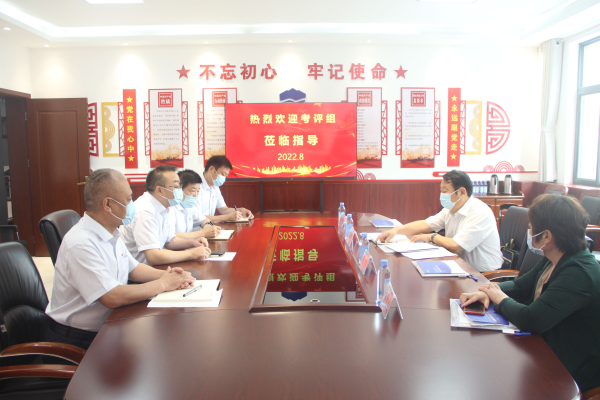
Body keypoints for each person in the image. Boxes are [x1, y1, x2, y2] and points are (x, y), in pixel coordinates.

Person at [460, 194, 600, 393]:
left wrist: (498, 297)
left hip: (572, 368)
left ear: (546, 236)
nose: (529, 232)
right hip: (548, 346)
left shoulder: (578, 273)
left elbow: (531, 319)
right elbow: (520, 286)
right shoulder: (555, 257)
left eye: (531, 227)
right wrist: (488, 292)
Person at [45, 169, 196, 349]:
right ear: (108, 204)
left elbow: (134, 268)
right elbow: (111, 296)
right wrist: (163, 284)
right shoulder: (81, 243)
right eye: (128, 199)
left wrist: (169, 276)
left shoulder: (111, 231)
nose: (132, 204)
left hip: (110, 322)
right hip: (78, 339)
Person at [376, 170, 501, 272]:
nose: (442, 194)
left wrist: (432, 237)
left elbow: (456, 246)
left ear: (462, 192)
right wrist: (395, 231)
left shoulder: (480, 212)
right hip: (458, 266)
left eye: (445, 191)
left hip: (482, 275)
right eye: (441, 191)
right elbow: (424, 224)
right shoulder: (451, 209)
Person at [120, 165, 211, 265]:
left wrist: (193, 242)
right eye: (176, 187)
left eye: (179, 186)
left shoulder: (165, 206)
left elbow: (169, 240)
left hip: (155, 267)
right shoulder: (145, 211)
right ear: (160, 190)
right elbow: (153, 256)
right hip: (140, 271)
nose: (180, 191)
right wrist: (191, 253)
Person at [200, 155, 254, 223]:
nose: (223, 179)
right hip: (196, 228)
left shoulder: (215, 186)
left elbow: (223, 209)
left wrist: (241, 210)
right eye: (222, 174)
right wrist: (227, 217)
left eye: (225, 176)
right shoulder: (195, 186)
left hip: (209, 227)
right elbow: (197, 217)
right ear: (211, 169)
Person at [170, 169, 222, 239]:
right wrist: (203, 233)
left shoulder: (189, 207)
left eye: (198, 191)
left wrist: (207, 227)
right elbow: (170, 236)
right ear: (179, 189)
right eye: (193, 191)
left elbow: (204, 220)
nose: (196, 195)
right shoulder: (170, 208)